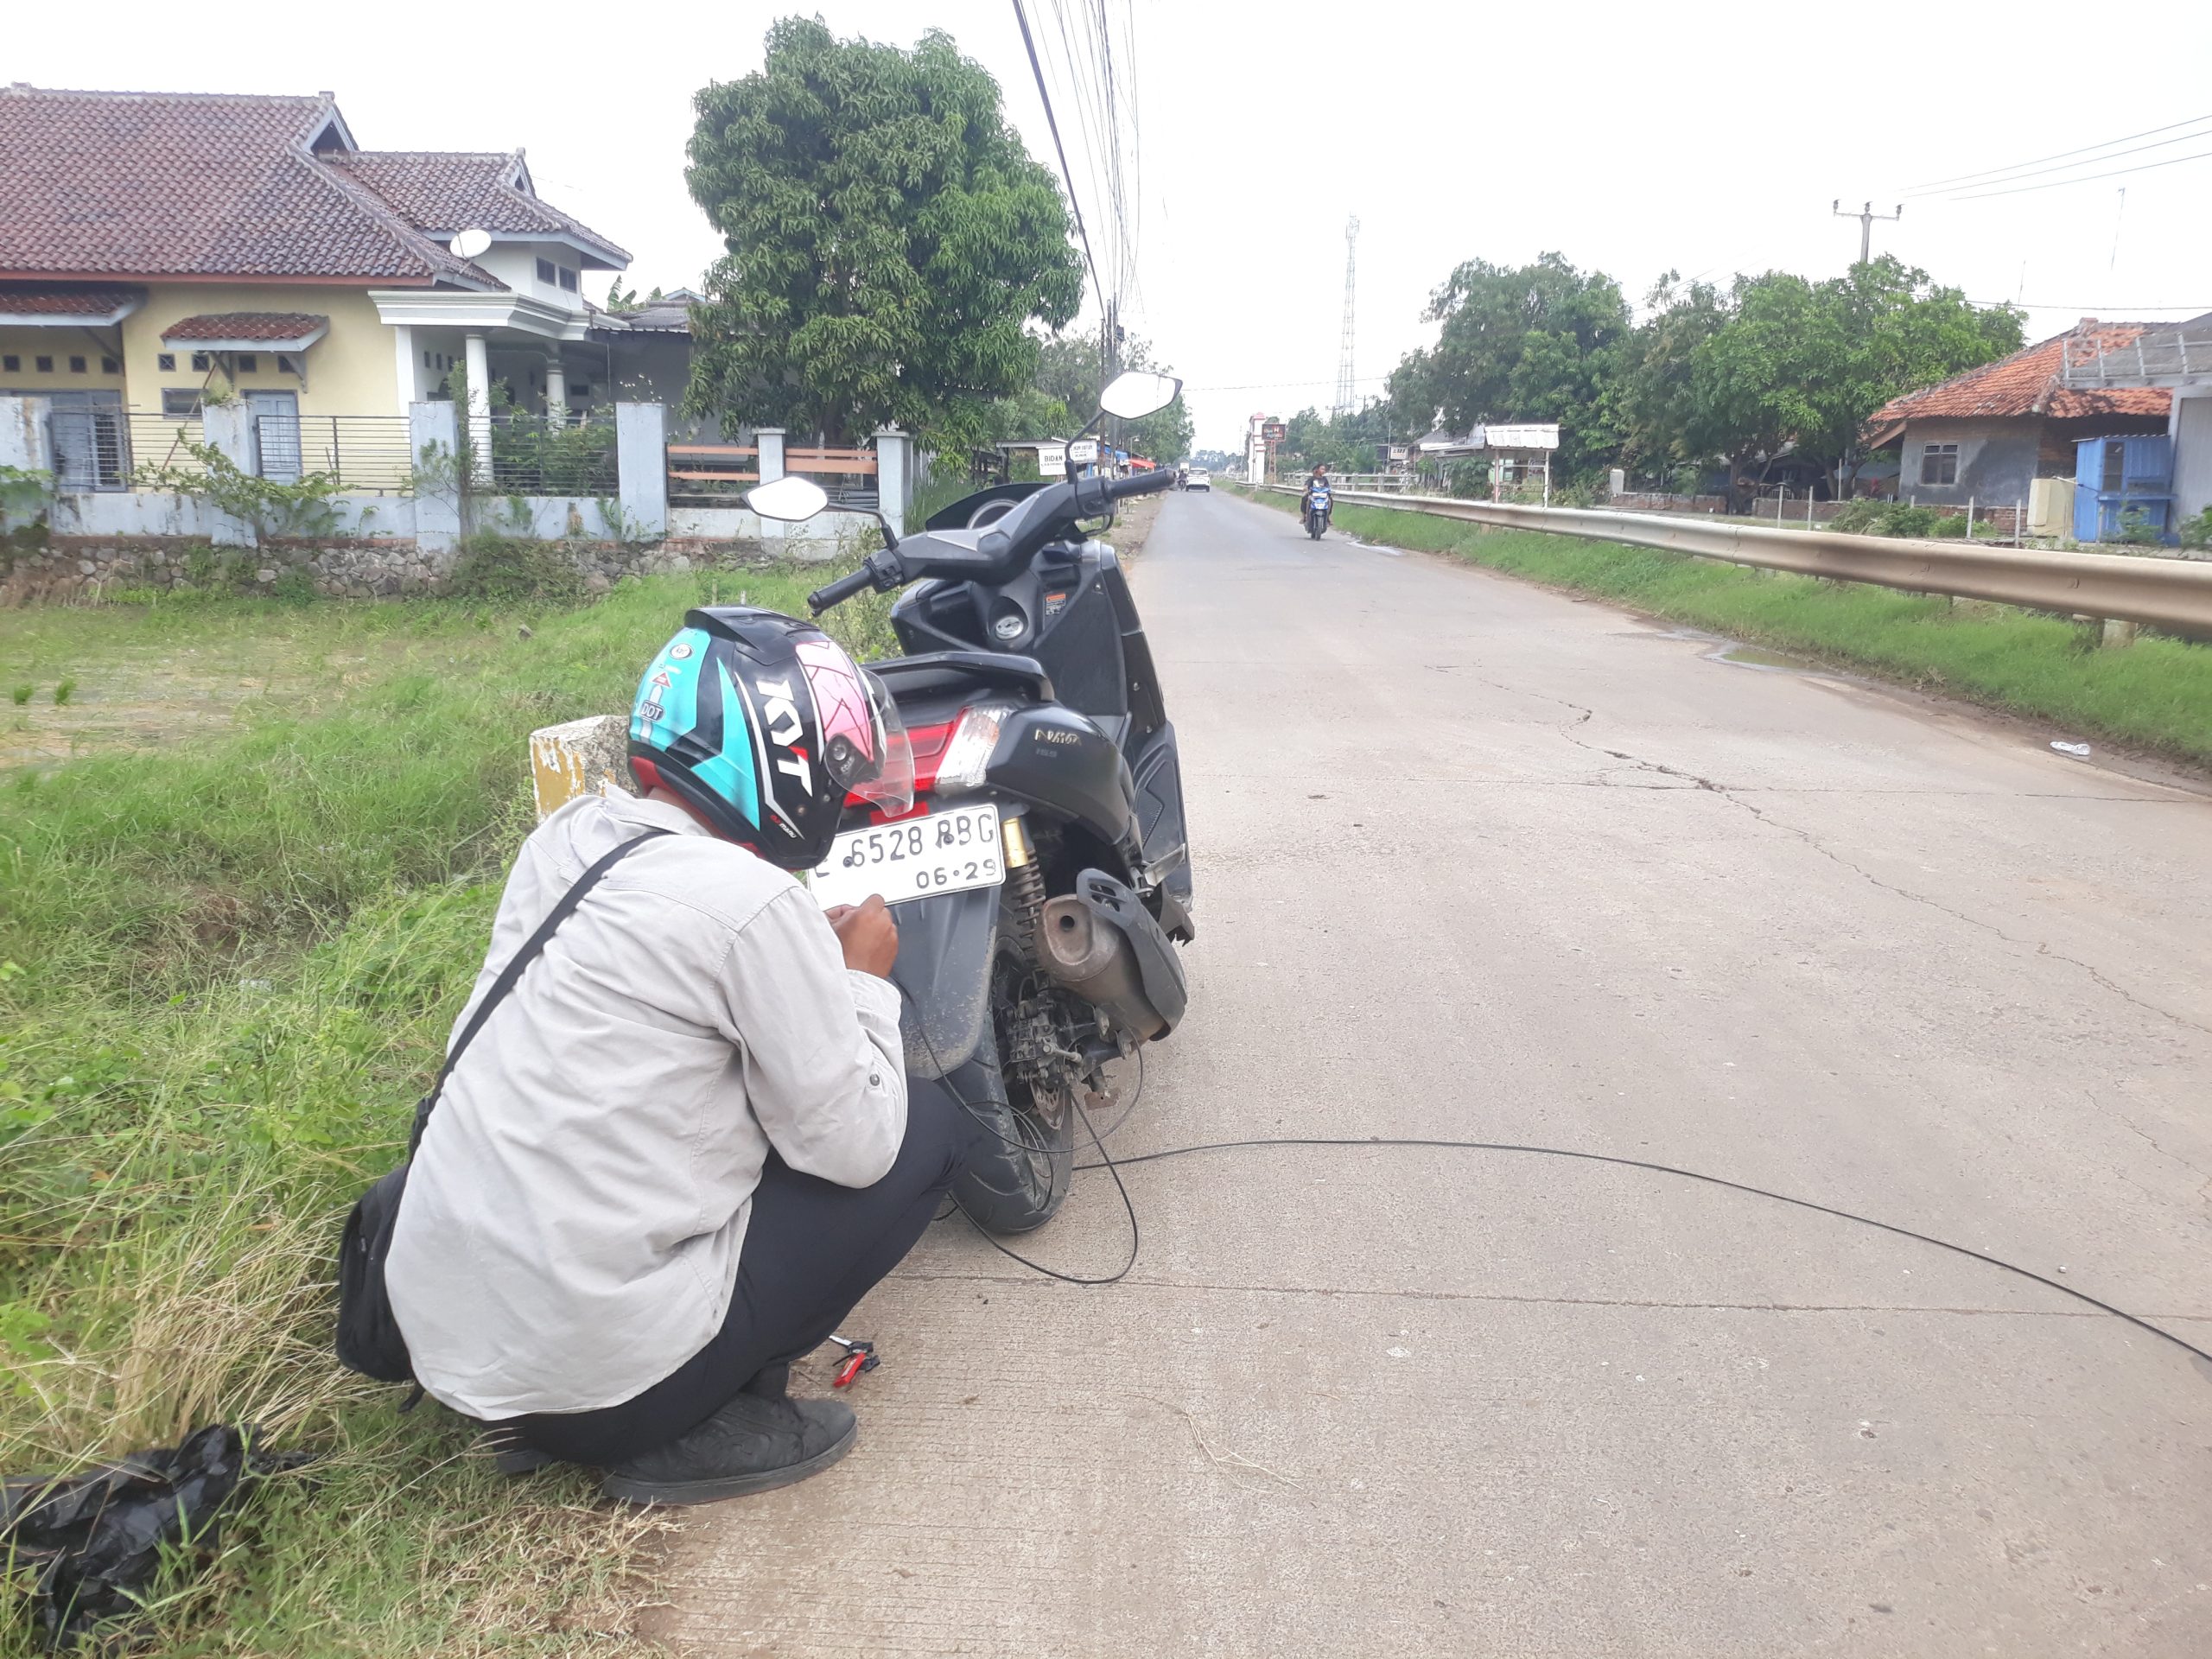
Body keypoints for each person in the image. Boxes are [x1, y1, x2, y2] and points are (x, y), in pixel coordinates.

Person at [385, 607, 976, 1506]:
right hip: (596, 1393)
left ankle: (578, 1387)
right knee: (926, 1129)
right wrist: (862, 982)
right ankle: (693, 1419)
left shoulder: (566, 841)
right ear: (780, 760)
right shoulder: (751, 899)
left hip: (445, 1340)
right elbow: (852, 1148)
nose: (841, 790)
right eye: (833, 770)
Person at [1300, 462, 1333, 535]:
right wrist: (1306, 488)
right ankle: (1304, 517)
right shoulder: (1312, 479)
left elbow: (1328, 487)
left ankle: (1328, 517)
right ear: (1317, 470)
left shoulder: (1324, 479)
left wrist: (1329, 490)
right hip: (1313, 496)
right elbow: (1307, 485)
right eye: (1322, 469)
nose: (1323, 471)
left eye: (1324, 469)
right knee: (1304, 498)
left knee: (1330, 500)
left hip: (1322, 497)